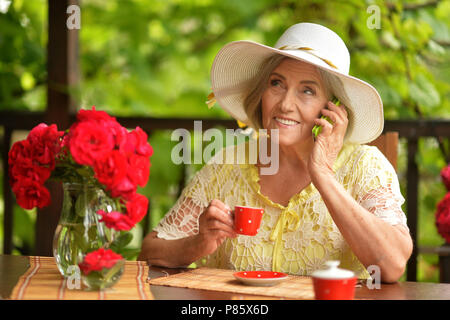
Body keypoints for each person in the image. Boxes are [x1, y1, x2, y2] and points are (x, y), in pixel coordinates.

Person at [139, 22, 413, 282]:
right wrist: (198, 243)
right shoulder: (229, 164)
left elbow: (391, 267)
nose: (284, 104)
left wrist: (324, 175)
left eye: (307, 90)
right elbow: (150, 251)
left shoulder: (364, 166)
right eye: (276, 84)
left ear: (332, 109)